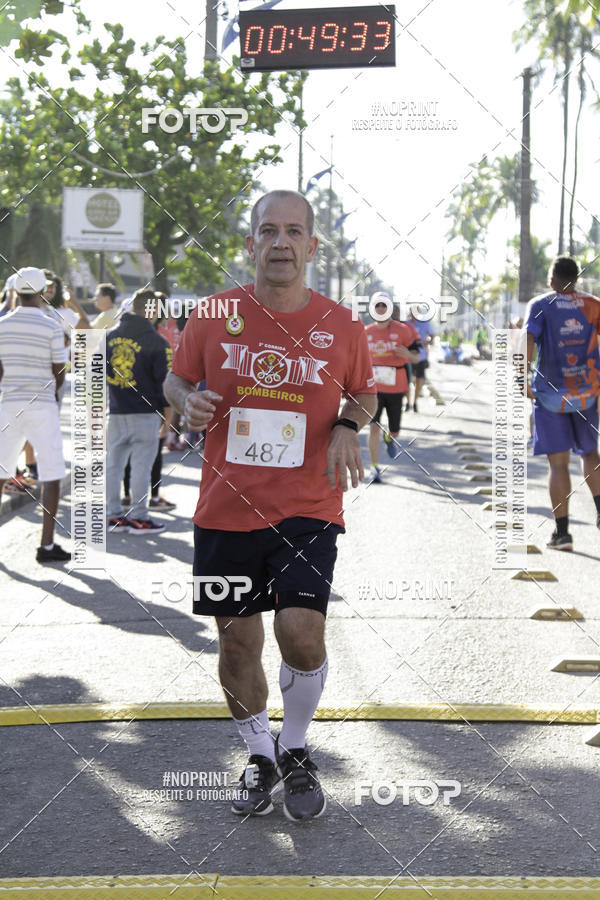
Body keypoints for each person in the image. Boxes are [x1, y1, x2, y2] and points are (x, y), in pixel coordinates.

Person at [164, 189, 376, 822]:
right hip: (225, 509)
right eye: (267, 231)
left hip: (309, 506)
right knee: (236, 644)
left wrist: (347, 425)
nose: (279, 242)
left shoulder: (343, 325)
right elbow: (177, 378)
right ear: (250, 243)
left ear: (312, 246)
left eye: (293, 232)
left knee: (301, 635)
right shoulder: (212, 314)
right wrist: (186, 400)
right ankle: (260, 753)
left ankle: (296, 744)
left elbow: (363, 395)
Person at [525, 255, 600, 550]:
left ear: (551, 280)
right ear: (577, 279)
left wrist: (521, 380)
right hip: (588, 394)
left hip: (550, 396)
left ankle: (563, 533)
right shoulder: (593, 304)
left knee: (558, 464)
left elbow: (527, 342)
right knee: (591, 455)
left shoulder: (541, 305)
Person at [0, 267, 70, 562]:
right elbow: (59, 372)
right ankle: (46, 544)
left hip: (8, 403)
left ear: (15, 291)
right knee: (51, 475)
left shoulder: (1, 325)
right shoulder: (52, 326)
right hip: (42, 404)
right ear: (43, 294)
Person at [105, 288, 172, 534]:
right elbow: (165, 385)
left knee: (114, 465)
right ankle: (140, 517)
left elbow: (95, 375)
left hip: (116, 412)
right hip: (145, 413)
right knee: (141, 467)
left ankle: (113, 515)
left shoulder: (109, 337)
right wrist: (168, 420)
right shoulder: (157, 341)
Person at [364, 294, 421, 482]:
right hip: (374, 388)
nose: (380, 308)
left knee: (395, 429)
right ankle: (374, 468)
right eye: (377, 305)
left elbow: (417, 357)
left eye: (384, 305)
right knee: (373, 427)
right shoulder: (365, 332)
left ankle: (390, 438)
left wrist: (407, 354)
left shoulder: (404, 330)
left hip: (397, 387)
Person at [408, 307, 434, 412]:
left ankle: (414, 402)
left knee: (419, 381)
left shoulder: (425, 323)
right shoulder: (405, 323)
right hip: (408, 357)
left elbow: (432, 336)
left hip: (421, 357)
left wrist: (428, 341)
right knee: (408, 381)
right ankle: (407, 402)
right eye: (412, 312)